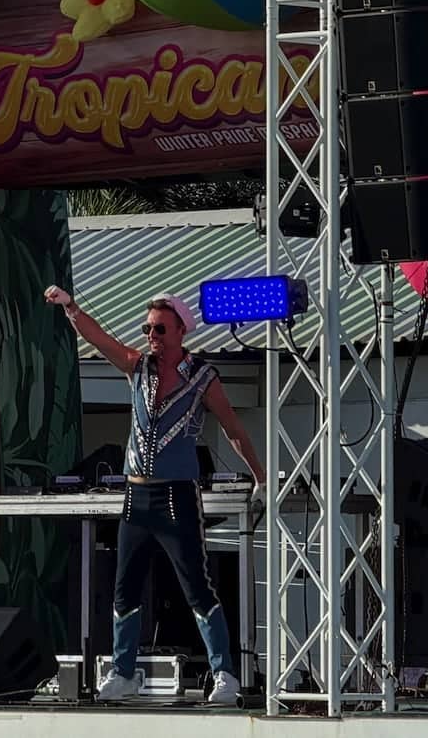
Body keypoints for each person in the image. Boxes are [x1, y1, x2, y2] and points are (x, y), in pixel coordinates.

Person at [44, 285, 265, 705]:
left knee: (197, 586)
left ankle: (225, 675)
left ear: (182, 330)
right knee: (124, 586)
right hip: (137, 496)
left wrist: (262, 476)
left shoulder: (202, 377)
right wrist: (70, 308)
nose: (152, 337)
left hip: (176, 497)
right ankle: (123, 672)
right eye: (148, 329)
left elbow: (234, 430)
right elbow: (99, 339)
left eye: (161, 329)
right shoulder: (138, 367)